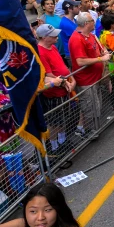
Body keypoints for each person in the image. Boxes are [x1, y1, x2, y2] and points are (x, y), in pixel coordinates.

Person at [68, 12, 110, 135]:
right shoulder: (76, 39)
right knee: (90, 107)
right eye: (92, 20)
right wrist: (100, 59)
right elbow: (80, 61)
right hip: (86, 81)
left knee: (96, 106)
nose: (95, 22)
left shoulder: (91, 35)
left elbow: (98, 50)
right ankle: (90, 132)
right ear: (87, 24)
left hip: (95, 78)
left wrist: (103, 53)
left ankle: (94, 128)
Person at [36, 24, 75, 154]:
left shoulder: (52, 47)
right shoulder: (40, 52)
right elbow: (48, 74)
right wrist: (64, 82)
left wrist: (68, 78)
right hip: (53, 92)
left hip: (63, 88)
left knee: (63, 118)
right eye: (53, 36)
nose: (56, 37)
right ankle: (54, 146)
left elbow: (61, 65)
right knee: (54, 121)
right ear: (44, 37)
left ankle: (62, 141)